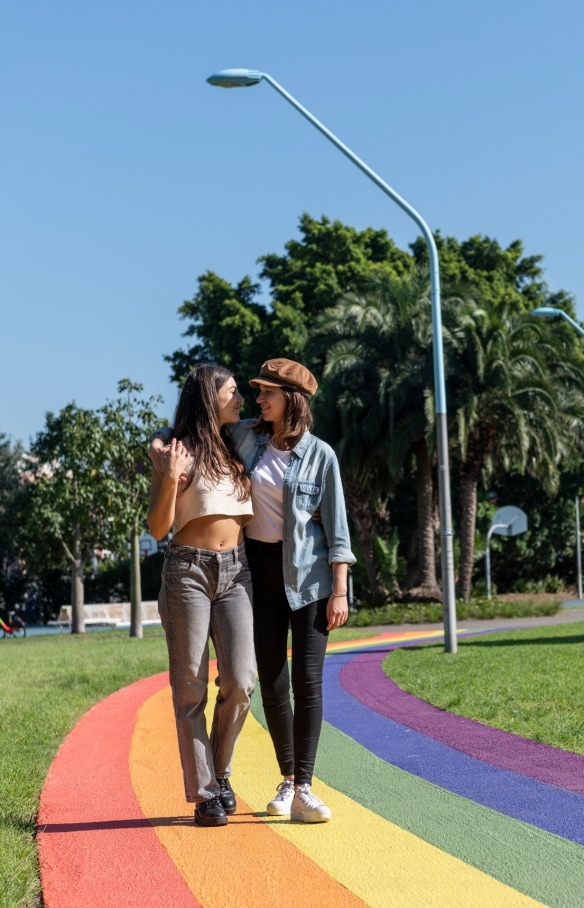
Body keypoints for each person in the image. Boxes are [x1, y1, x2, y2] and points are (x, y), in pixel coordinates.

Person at [151, 358, 356, 823]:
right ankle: (232, 788)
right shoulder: (237, 439)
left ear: (292, 400)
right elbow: (186, 432)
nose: (253, 397)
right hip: (223, 571)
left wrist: (340, 587)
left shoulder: (308, 453)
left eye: (266, 392)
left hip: (279, 577)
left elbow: (335, 528)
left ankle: (276, 779)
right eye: (247, 391)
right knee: (224, 685)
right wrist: (161, 452)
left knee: (272, 682)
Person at [148, 364, 256, 828]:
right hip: (187, 572)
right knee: (190, 686)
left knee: (240, 680)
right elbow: (157, 529)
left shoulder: (240, 445)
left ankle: (220, 769)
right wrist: (169, 475)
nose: (241, 400)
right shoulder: (176, 453)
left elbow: (283, 419)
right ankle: (206, 792)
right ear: (209, 397)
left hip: (237, 572)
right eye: (232, 392)